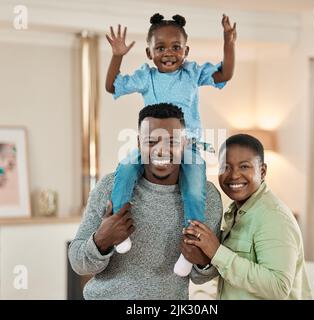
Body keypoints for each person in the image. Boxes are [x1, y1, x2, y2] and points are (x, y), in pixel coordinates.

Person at [104, 13, 236, 276]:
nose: (169, 53)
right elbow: (111, 86)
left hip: (186, 145)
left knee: (195, 188)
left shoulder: (192, 73)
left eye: (176, 47)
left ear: (186, 50)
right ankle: (119, 227)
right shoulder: (145, 76)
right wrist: (118, 55)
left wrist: (228, 42)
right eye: (160, 47)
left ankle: (189, 245)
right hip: (151, 146)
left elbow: (225, 73)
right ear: (149, 51)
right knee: (126, 169)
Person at [68, 103, 223, 300]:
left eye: (172, 142)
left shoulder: (207, 197)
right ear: (139, 143)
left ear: (184, 144)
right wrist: (101, 241)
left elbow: (205, 276)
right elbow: (78, 264)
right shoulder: (109, 187)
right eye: (151, 141)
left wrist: (203, 263)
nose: (161, 150)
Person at [183, 134, 312, 299]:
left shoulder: (273, 217)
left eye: (244, 166)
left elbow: (278, 287)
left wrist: (217, 252)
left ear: (262, 171)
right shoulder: (236, 212)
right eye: (226, 167)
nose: (234, 175)